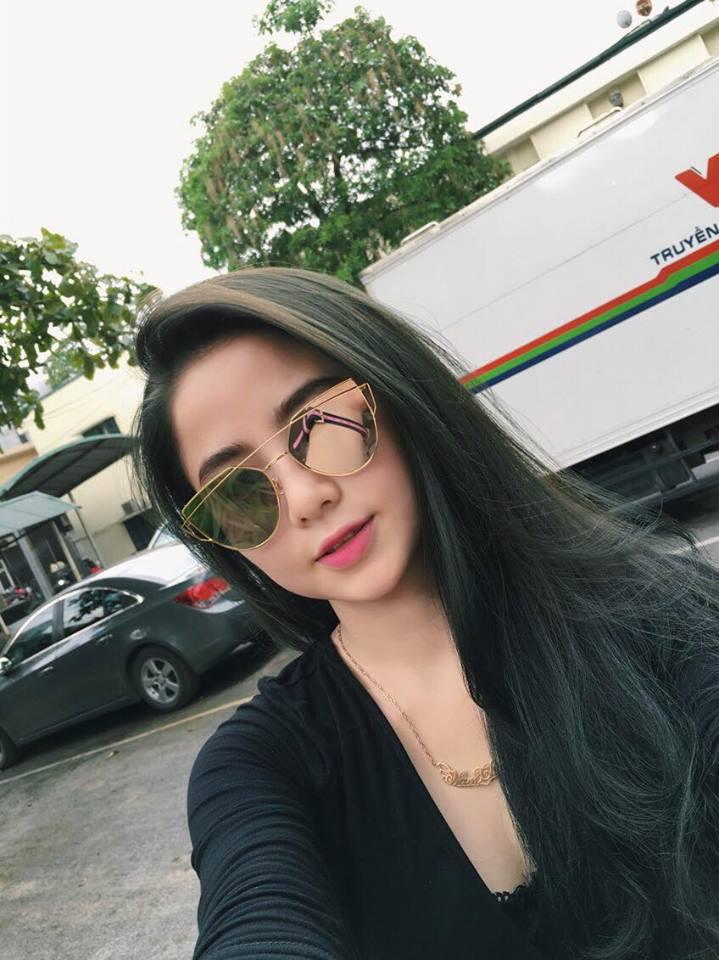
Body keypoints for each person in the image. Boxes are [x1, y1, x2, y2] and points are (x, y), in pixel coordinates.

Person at [131, 268, 719, 960]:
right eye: (238, 493)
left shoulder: (654, 613)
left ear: (400, 398)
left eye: (321, 423)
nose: (306, 498)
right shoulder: (259, 764)